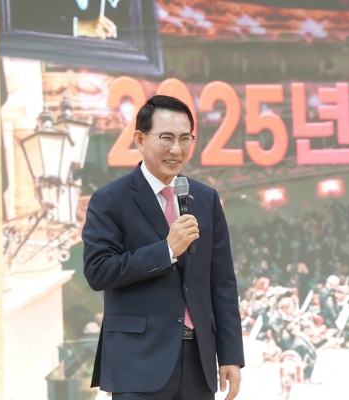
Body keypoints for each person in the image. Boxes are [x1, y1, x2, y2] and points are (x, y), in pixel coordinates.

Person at [83, 95, 244, 399]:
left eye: (185, 139)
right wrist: (167, 250)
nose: (176, 149)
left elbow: (222, 281)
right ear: (140, 140)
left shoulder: (205, 198)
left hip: (198, 361)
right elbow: (98, 271)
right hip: (138, 361)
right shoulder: (110, 199)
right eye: (166, 138)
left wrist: (231, 354)